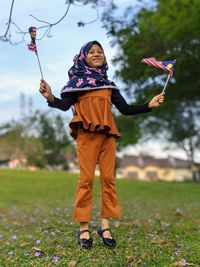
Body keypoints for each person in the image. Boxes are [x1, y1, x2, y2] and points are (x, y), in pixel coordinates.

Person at [39, 40, 165, 249]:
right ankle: (84, 229)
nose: (97, 54)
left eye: (100, 52)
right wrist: (50, 96)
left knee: (108, 179)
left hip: (107, 135)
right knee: (86, 179)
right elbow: (63, 106)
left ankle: (105, 226)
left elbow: (125, 109)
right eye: (92, 52)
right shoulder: (76, 84)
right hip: (87, 136)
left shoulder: (109, 85)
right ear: (83, 57)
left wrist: (148, 105)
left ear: (105, 57)